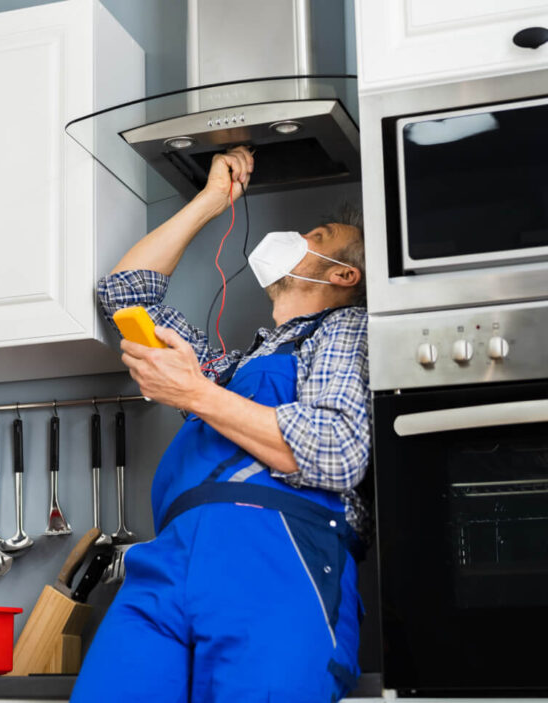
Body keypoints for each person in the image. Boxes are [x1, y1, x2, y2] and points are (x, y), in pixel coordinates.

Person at [71, 146, 371, 702]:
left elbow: (337, 449)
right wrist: (210, 201)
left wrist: (195, 393)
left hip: (275, 562)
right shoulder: (233, 371)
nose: (297, 234)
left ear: (343, 273)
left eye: (318, 234)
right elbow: (126, 293)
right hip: (169, 561)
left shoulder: (345, 329)